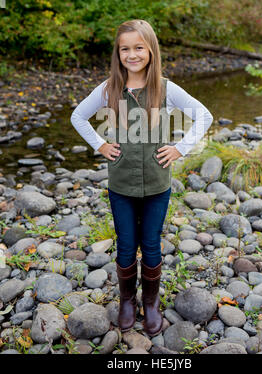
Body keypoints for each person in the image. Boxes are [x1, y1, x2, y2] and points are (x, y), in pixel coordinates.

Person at [70, 19, 213, 337]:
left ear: (150, 50)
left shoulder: (165, 88)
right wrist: (101, 144)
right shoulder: (109, 89)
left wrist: (180, 149)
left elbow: (204, 115)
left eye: (138, 47)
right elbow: (78, 116)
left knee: (150, 246)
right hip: (120, 185)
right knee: (125, 246)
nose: (132, 54)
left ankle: (150, 303)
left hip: (157, 186)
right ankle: (126, 302)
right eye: (125, 49)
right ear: (117, 53)